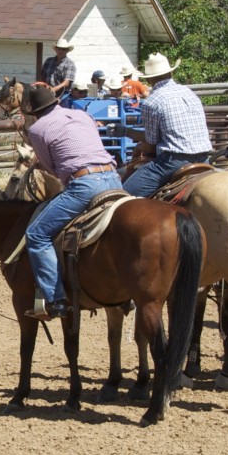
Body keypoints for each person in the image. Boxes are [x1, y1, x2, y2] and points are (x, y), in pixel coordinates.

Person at [19, 82, 122, 321]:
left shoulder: (37, 130)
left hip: (84, 185)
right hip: (114, 178)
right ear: (55, 101)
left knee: (37, 235)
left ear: (33, 111)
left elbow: (52, 170)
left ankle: (55, 300)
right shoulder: (81, 115)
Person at [121, 53, 212, 196]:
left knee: (125, 194)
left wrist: (135, 142)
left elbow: (151, 144)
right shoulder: (189, 92)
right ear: (170, 72)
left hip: (173, 162)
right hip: (204, 158)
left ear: (149, 79)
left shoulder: (152, 101)